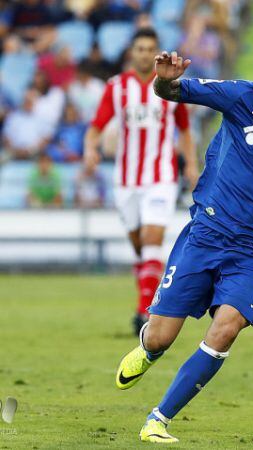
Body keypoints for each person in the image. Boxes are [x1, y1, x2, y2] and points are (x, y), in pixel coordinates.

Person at [113, 41, 253, 443]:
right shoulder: (239, 96)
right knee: (162, 335)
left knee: (226, 328)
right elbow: (175, 91)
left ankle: (158, 419)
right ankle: (148, 349)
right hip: (206, 235)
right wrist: (164, 82)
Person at [83, 28, 198, 336]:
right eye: (140, 48)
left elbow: (185, 131)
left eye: (150, 48)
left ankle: (146, 311)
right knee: (139, 247)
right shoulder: (117, 88)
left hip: (161, 176)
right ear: (132, 53)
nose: (145, 54)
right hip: (126, 180)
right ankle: (145, 300)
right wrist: (90, 149)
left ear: (157, 52)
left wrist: (192, 166)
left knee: (151, 238)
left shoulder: (171, 88)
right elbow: (96, 126)